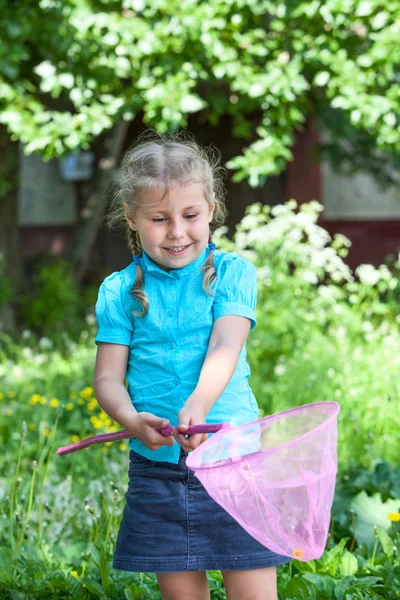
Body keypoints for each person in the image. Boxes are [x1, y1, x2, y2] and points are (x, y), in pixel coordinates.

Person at [93, 133, 290, 600]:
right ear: (132, 218)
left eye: (190, 215)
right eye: (159, 219)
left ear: (211, 209)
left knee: (254, 591)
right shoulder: (119, 292)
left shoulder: (233, 274)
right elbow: (106, 378)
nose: (177, 231)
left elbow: (226, 341)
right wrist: (128, 418)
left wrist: (199, 404)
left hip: (233, 458)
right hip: (158, 466)